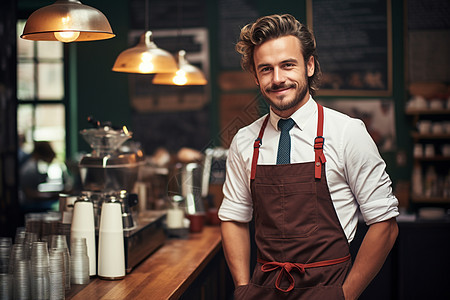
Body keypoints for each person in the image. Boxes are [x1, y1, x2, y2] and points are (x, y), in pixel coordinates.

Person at [218, 14, 399, 300]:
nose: (278, 79)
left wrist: (344, 295)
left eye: (288, 65)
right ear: (255, 76)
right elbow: (233, 218)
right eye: (266, 69)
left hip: (328, 290)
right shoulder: (244, 141)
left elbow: (385, 225)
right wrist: (242, 288)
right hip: (262, 292)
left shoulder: (347, 133)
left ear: (310, 65)